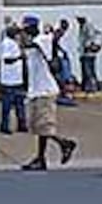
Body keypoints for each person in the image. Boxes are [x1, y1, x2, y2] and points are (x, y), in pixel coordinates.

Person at [20, 16, 77, 170]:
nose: (24, 32)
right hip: (35, 91)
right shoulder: (31, 44)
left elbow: (54, 37)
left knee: (44, 126)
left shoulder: (42, 39)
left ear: (33, 28)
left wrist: (62, 29)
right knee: (38, 128)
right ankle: (41, 159)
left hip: (45, 91)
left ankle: (65, 144)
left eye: (26, 29)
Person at [0, 25, 27, 135]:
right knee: (7, 105)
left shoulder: (15, 43)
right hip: (9, 79)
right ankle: (4, 125)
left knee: (20, 103)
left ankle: (22, 124)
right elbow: (7, 59)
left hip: (17, 78)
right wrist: (19, 57)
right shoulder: (7, 43)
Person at [77, 15, 102, 93]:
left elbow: (91, 37)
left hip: (88, 53)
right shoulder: (82, 27)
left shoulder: (88, 26)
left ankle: (93, 87)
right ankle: (87, 86)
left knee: (89, 71)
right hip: (84, 53)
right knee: (87, 71)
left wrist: (89, 46)